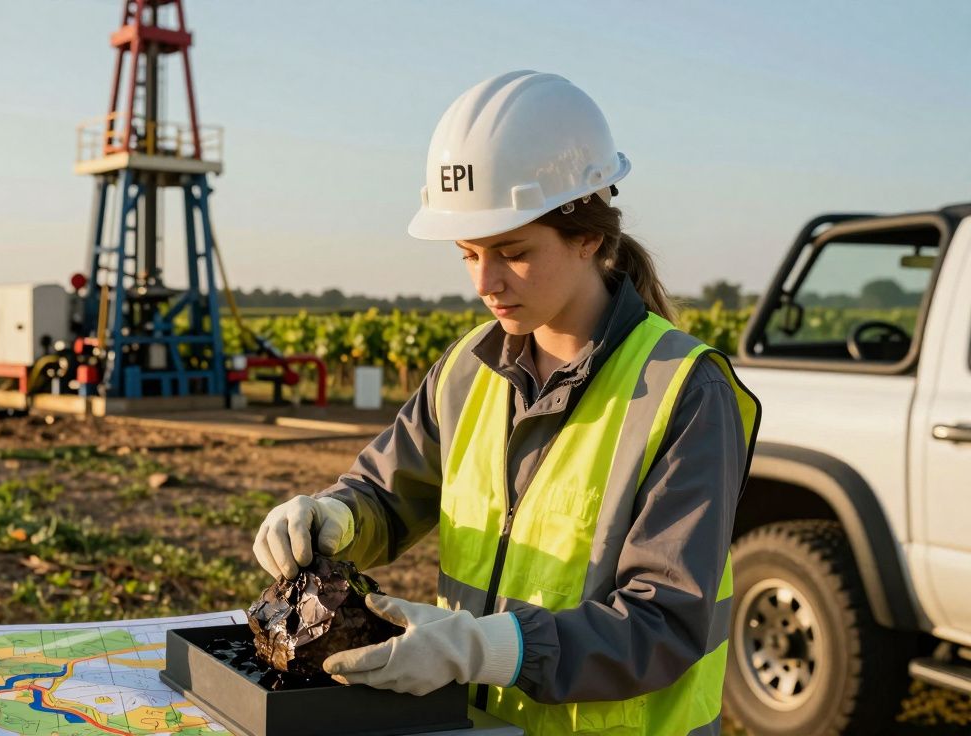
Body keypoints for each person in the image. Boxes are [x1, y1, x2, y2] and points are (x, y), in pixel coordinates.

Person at [252, 71, 761, 735]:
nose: (485, 283)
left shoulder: (685, 391)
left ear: (588, 235)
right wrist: (335, 514)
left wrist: (487, 648)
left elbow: (663, 623)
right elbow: (385, 494)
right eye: (468, 255)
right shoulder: (467, 369)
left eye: (513, 253)